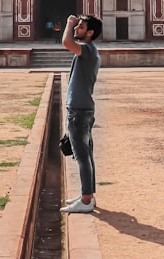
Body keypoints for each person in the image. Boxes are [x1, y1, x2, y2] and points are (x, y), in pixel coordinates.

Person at [60, 13, 102, 214]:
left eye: (81, 27)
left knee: (82, 156)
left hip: (79, 110)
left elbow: (66, 42)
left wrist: (69, 23)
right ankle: (88, 195)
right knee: (87, 154)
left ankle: (85, 201)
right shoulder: (90, 52)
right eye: (77, 26)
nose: (77, 28)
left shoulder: (87, 50)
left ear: (90, 32)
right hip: (84, 108)